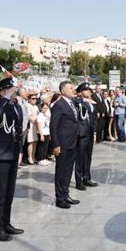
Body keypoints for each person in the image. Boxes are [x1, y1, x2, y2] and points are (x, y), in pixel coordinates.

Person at [0, 78, 24, 242]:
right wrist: (3, 100)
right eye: (11, 90)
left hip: (12, 153)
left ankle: (6, 222)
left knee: (9, 192)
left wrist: (20, 151)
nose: (15, 91)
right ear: (3, 92)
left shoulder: (16, 106)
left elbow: (19, 129)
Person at [50, 81, 80, 209]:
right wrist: (56, 144)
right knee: (61, 172)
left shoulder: (72, 103)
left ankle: (66, 194)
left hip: (73, 142)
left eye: (73, 88)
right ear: (63, 91)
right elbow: (53, 126)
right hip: (62, 144)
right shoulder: (59, 105)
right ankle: (60, 198)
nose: (73, 90)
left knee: (68, 170)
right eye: (70, 88)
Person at [73, 83, 98, 191]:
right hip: (81, 133)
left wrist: (95, 133)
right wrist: (84, 100)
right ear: (80, 92)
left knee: (88, 157)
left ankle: (86, 178)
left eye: (89, 90)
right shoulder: (78, 101)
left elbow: (93, 119)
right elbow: (74, 101)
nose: (89, 91)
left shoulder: (91, 102)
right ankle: (79, 181)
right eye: (86, 90)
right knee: (80, 158)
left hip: (90, 132)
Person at [24, 93, 39, 165]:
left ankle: (33, 156)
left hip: (36, 126)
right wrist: (37, 123)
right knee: (31, 142)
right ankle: (29, 157)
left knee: (35, 142)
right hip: (31, 125)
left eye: (36, 98)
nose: (35, 100)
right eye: (33, 98)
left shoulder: (36, 107)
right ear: (29, 99)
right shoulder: (28, 106)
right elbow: (30, 117)